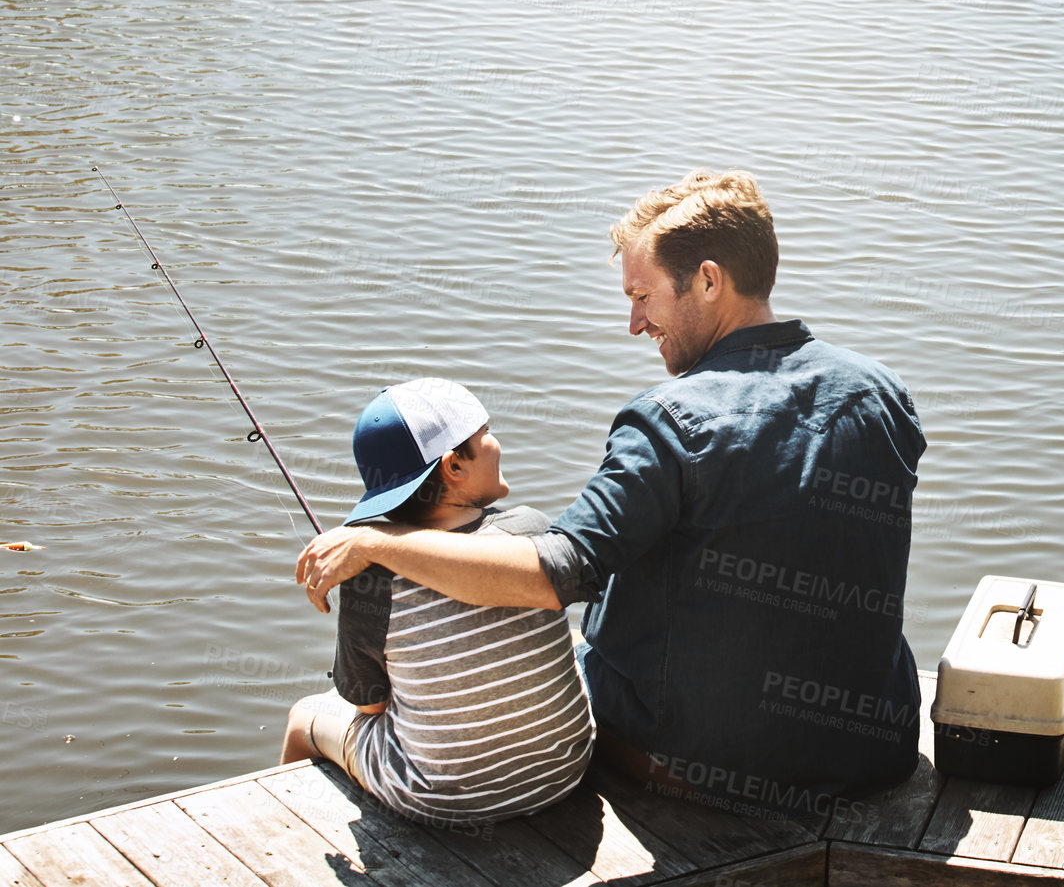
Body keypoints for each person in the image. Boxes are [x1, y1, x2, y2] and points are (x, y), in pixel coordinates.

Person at [297, 170, 925, 820]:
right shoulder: (881, 392)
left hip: (700, 762)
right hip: (873, 749)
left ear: (709, 281)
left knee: (554, 660)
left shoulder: (670, 420)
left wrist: (377, 540)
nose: (633, 323)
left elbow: (555, 572)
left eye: (642, 295)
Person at [281, 377, 594, 827]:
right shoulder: (531, 529)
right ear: (453, 467)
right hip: (564, 771)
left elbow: (369, 705)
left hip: (438, 799)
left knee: (302, 717)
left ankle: (292, 839)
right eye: (486, 434)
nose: (496, 444)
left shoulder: (370, 576)